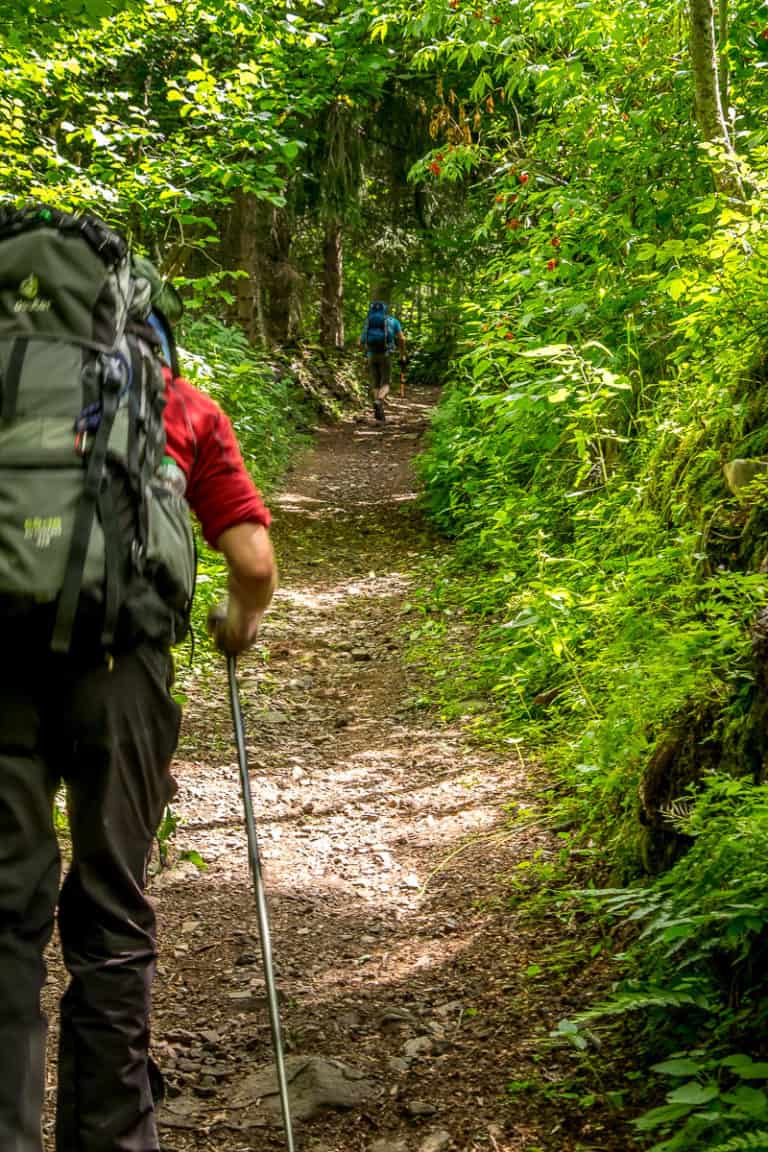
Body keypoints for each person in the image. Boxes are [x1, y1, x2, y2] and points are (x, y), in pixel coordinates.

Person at [0, 242, 276, 1151]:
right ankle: (112, 1138)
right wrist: (235, 622)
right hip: (123, 675)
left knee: (4, 912)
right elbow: (252, 560)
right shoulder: (172, 403)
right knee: (113, 905)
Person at [359, 300, 407, 422]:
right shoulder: (393, 321)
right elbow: (401, 339)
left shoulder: (368, 322)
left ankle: (378, 411)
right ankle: (379, 401)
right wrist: (402, 354)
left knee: (375, 383)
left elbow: (360, 342)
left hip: (371, 355)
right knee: (385, 383)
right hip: (385, 355)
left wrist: (364, 354)